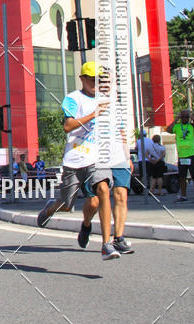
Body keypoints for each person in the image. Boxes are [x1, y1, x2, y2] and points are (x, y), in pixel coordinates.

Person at [37, 61, 119, 260]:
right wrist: (93, 114)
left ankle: (106, 244)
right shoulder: (73, 99)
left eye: (97, 80)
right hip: (74, 159)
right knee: (67, 204)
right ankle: (51, 208)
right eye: (90, 79)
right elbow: (68, 126)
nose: (94, 83)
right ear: (82, 79)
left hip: (97, 158)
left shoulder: (107, 99)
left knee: (102, 191)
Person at [76, 71, 134, 255]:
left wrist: (127, 156)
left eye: (109, 82)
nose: (105, 85)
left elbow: (121, 131)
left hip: (118, 156)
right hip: (96, 157)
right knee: (94, 202)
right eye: (101, 81)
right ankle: (86, 225)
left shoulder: (116, 105)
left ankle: (118, 238)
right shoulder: (86, 102)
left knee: (121, 195)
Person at [166, 108, 194, 202]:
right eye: (183, 117)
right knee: (182, 177)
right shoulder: (177, 126)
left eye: (187, 117)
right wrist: (176, 119)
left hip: (191, 155)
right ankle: (183, 195)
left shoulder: (192, 126)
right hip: (182, 156)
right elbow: (168, 130)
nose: (185, 118)